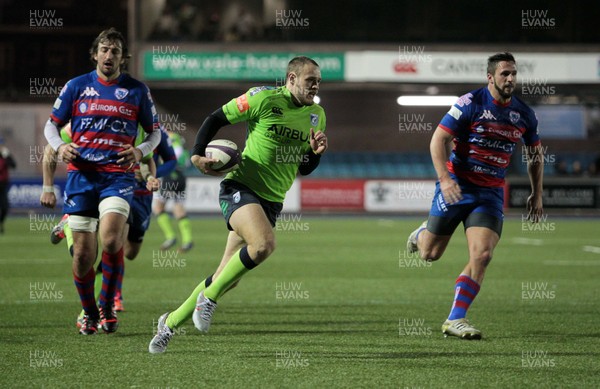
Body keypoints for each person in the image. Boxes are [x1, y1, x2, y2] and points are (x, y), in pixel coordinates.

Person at [149, 56, 328, 353]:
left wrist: (316, 153)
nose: (315, 86)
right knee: (263, 245)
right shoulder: (263, 98)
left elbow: (304, 167)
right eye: (311, 80)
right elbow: (216, 118)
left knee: (225, 278)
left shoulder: (317, 115)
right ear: (292, 78)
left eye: (318, 81)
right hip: (241, 186)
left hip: (271, 201)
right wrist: (196, 154)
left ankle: (168, 324)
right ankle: (209, 300)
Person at [406, 52, 544, 340]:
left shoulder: (525, 114)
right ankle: (421, 234)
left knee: (482, 255)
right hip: (457, 186)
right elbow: (439, 139)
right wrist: (444, 180)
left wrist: (537, 193)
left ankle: (456, 318)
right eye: (505, 74)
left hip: (490, 194)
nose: (511, 79)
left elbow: (535, 154)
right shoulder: (470, 103)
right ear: (490, 77)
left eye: (514, 74)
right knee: (430, 254)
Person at [43, 28, 161, 335]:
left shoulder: (137, 90)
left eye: (116, 51)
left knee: (111, 239)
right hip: (81, 177)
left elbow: (155, 133)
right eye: (105, 50)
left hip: (117, 177)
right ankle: (90, 312)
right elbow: (51, 126)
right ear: (95, 53)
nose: (109, 56)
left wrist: (139, 150)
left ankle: (107, 305)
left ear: (124, 58)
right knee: (83, 256)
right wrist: (60, 146)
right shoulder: (76, 86)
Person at [41, 123, 175, 316]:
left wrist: (151, 176)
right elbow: (52, 145)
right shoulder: (104, 118)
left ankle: (69, 224)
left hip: (143, 194)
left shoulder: (153, 129)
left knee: (130, 252)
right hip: (117, 189)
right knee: (108, 244)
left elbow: (171, 160)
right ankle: (100, 306)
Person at [152, 130, 194, 252]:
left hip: (170, 176)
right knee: (178, 209)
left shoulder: (166, 137)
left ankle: (171, 237)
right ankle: (187, 241)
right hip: (181, 176)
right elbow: (186, 160)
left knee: (158, 207)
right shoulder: (178, 138)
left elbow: (176, 153)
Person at [0, 137, 16, 234]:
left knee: (5, 207)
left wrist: (7, 156)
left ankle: (1, 222)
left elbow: (13, 165)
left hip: (3, 185)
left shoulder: (5, 156)